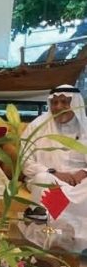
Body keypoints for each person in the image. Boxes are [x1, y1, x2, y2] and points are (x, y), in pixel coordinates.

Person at [21, 84, 87, 252]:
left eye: (64, 102)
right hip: (50, 179)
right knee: (43, 180)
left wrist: (84, 172)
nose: (58, 107)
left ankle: (76, 235)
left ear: (75, 104)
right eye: (54, 102)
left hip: (79, 184)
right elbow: (25, 163)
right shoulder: (37, 126)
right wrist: (54, 173)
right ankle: (56, 234)